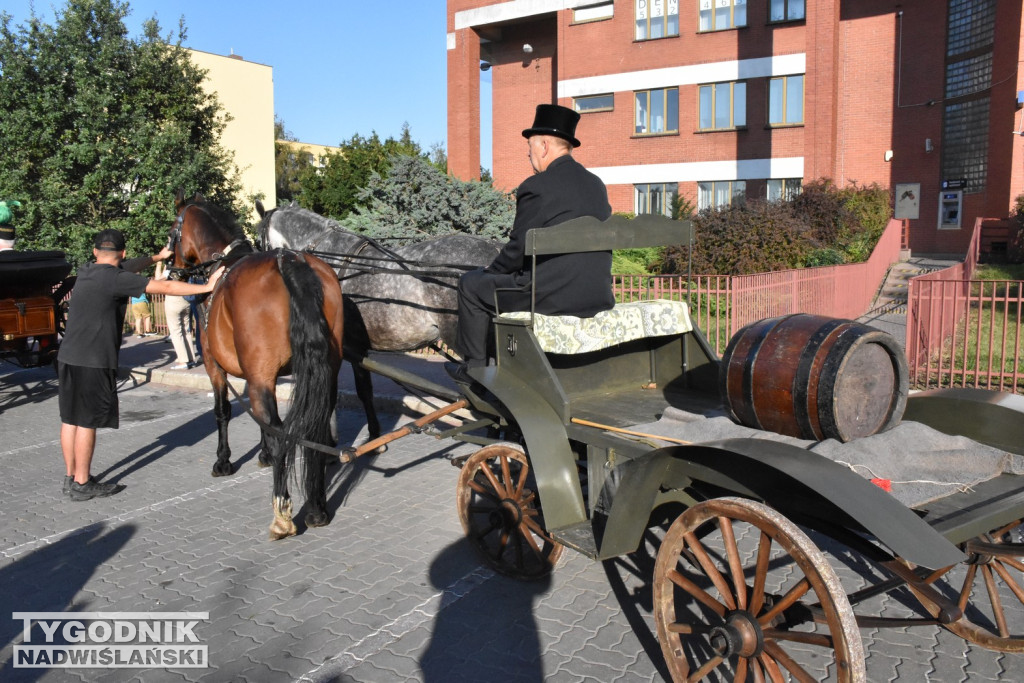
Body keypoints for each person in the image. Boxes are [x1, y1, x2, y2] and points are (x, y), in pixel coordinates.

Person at [450, 103, 613, 382]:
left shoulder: (536, 186)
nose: (528, 154)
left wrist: (489, 273)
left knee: (470, 284)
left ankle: (474, 369)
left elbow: (517, 249)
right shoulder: (596, 184)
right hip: (597, 295)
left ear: (545, 146)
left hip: (549, 297)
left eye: (530, 147)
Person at [58, 228, 223, 501]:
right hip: (94, 362)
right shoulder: (116, 280)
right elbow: (166, 287)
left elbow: (126, 266)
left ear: (95, 252)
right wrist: (207, 285)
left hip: (67, 358)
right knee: (87, 422)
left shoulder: (87, 270)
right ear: (122, 252)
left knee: (70, 420)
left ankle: (70, 477)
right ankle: (83, 482)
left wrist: (157, 256)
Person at [155, 261, 197, 370]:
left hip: (173, 298)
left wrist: (159, 265)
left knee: (176, 331)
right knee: (186, 329)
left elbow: (158, 280)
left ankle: (183, 360)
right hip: (186, 298)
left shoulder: (171, 267)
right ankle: (191, 358)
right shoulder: (188, 266)